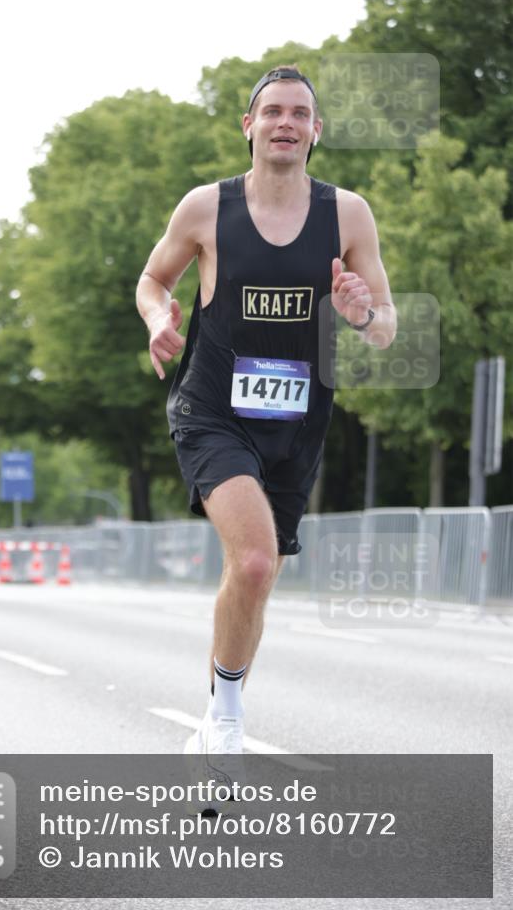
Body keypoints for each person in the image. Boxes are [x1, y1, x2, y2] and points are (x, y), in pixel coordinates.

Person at [136, 65, 396, 790]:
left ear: (316, 131)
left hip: (297, 424)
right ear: (247, 126)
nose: (285, 122)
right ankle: (222, 719)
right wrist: (160, 318)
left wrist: (360, 313)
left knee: (261, 575)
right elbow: (153, 278)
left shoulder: (347, 214)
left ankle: (224, 692)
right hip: (213, 411)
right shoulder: (205, 208)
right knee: (250, 561)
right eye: (271, 111)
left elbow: (384, 326)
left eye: (299, 113)